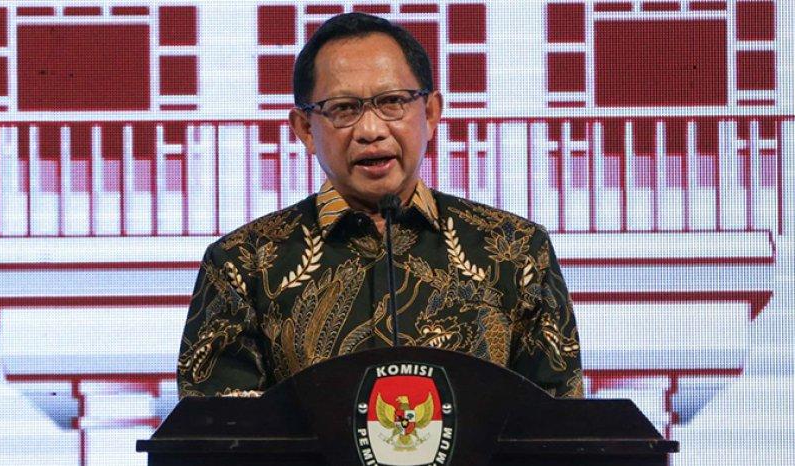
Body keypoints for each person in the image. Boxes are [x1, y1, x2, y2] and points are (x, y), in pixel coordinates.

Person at [177, 12, 583, 399]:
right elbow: (218, 430)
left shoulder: (516, 250)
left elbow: (558, 424)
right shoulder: (242, 263)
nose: (370, 130)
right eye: (343, 109)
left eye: (392, 102)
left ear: (430, 112)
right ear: (305, 129)